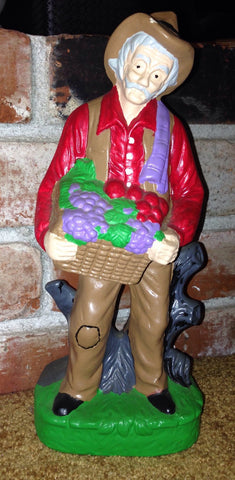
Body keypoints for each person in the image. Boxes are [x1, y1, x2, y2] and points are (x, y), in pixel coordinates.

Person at [35, 12, 204, 416]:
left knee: (153, 318)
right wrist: (50, 230)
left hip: (153, 241)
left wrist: (176, 233)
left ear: (167, 82)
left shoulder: (171, 129)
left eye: (158, 74)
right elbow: (55, 181)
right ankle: (79, 387)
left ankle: (151, 382)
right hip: (103, 242)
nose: (145, 78)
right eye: (141, 65)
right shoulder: (85, 120)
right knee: (90, 315)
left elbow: (190, 190)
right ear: (122, 62)